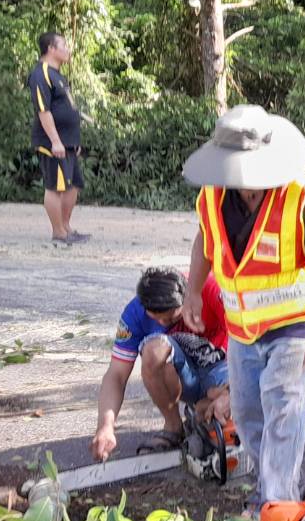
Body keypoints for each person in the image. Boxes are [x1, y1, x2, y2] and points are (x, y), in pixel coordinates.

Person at [179, 105, 305, 506]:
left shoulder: (304, 198)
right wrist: (193, 290)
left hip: (293, 329)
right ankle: (267, 492)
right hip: (242, 331)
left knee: (283, 410)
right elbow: (204, 239)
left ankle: (278, 504)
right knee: (249, 415)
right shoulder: (213, 195)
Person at [91, 268, 230, 460]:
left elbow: (250, 345)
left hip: (226, 373)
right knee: (153, 350)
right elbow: (116, 375)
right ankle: (173, 427)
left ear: (188, 296)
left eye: (172, 317)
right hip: (187, 377)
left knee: (228, 433)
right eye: (156, 318)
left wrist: (231, 393)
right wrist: (105, 426)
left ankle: (205, 409)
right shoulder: (134, 314)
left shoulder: (211, 289)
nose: (164, 323)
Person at [28, 32, 87, 245]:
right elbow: (43, 110)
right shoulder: (40, 73)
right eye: (64, 45)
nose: (68, 49)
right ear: (51, 49)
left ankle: (67, 227)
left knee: (74, 184)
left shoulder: (58, 75)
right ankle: (58, 232)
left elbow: (66, 108)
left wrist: (73, 141)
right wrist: (55, 141)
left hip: (68, 141)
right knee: (56, 186)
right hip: (52, 142)